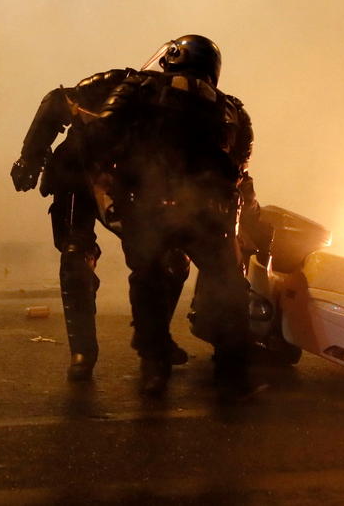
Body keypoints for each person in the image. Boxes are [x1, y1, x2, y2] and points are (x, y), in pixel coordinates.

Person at [93, 34, 257, 396]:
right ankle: (232, 374)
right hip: (206, 213)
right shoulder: (231, 108)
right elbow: (239, 166)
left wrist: (114, 179)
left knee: (149, 282)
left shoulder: (139, 87)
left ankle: (155, 367)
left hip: (149, 206)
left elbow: (103, 128)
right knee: (228, 286)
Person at [10, 69, 192, 382]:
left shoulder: (199, 117)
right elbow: (58, 101)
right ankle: (83, 352)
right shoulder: (123, 84)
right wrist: (30, 157)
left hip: (127, 184)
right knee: (75, 257)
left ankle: (155, 340)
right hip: (80, 172)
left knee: (170, 259)